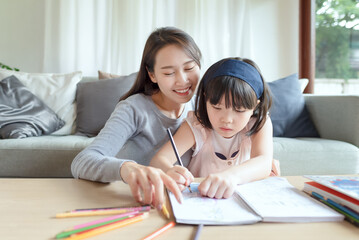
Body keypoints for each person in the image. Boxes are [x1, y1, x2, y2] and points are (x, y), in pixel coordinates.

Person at [71, 27, 202, 210]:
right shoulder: (134, 108)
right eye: (169, 73)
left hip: (180, 205)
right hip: (131, 205)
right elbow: (82, 161)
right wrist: (127, 169)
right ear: (152, 75)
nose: (182, 80)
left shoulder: (203, 108)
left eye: (189, 68)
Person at [150, 57, 280, 199]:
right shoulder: (197, 125)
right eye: (217, 107)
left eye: (240, 110)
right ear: (205, 99)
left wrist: (231, 177)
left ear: (255, 106)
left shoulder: (259, 122)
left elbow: (263, 161)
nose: (226, 120)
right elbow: (159, 159)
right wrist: (170, 171)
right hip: (201, 200)